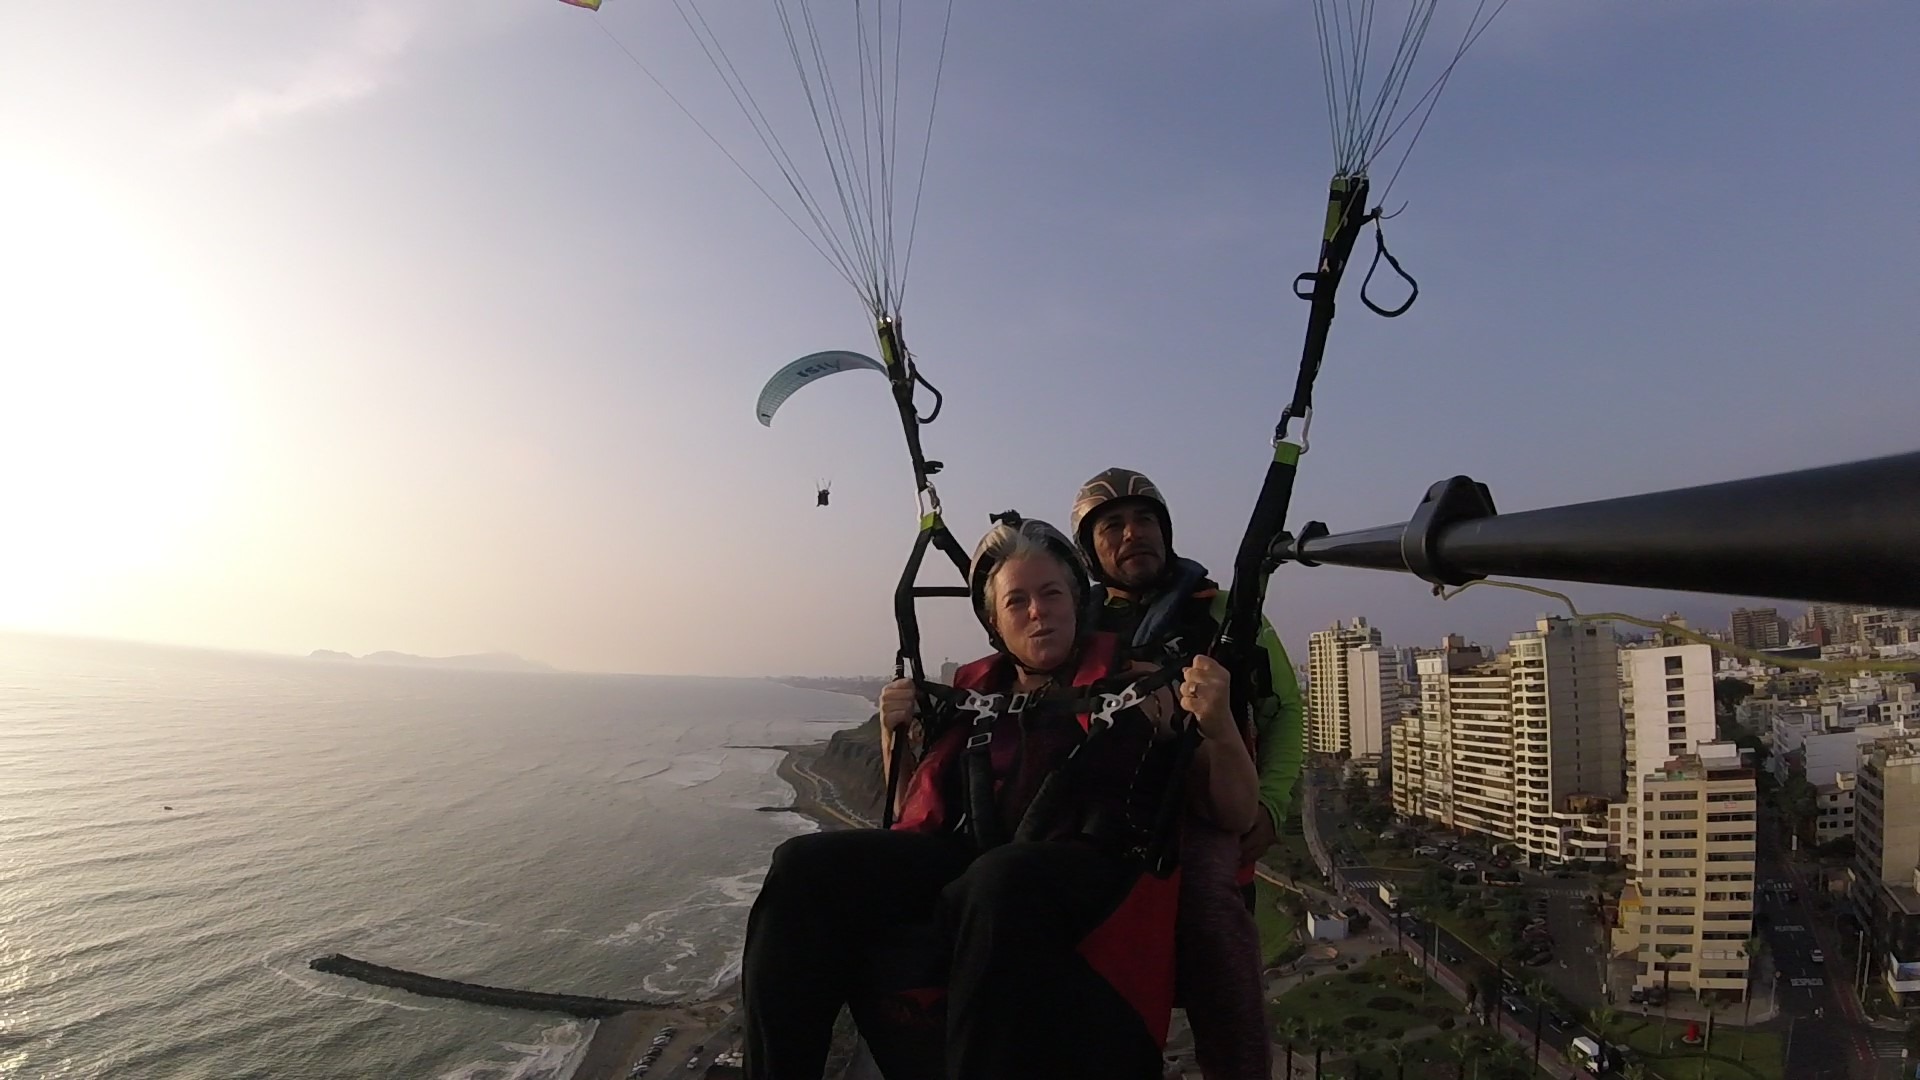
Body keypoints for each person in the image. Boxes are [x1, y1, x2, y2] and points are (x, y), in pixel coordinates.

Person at [741, 515, 1258, 1080]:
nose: (1038, 612)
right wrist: (896, 741)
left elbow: (1232, 812)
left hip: (1092, 870)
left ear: (1077, 603)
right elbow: (908, 811)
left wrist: (1218, 726)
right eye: (1017, 602)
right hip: (978, 864)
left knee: (999, 880)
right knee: (802, 867)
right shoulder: (972, 693)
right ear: (996, 623)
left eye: (1052, 593)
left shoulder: (1141, 682)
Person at [1069, 467, 1307, 1080]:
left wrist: (1273, 804)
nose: (1132, 534)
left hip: (1199, 802)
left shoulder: (1225, 613)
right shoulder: (1075, 625)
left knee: (1210, 917)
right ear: (1091, 552)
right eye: (1113, 526)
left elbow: (1285, 709)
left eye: (1145, 519)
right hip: (1102, 807)